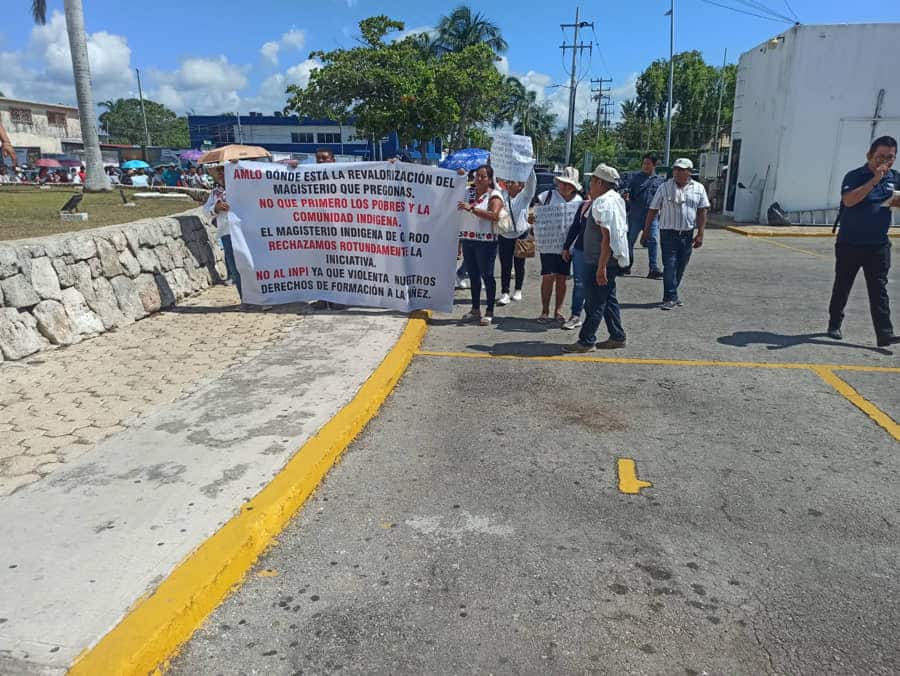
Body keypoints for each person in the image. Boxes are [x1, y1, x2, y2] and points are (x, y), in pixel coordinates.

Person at [827, 135, 900, 347]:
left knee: (879, 289)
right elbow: (849, 201)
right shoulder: (855, 176)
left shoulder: (895, 178)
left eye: (890, 157)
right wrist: (874, 180)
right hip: (850, 243)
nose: (884, 161)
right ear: (870, 155)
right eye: (880, 157)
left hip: (877, 244)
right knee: (843, 285)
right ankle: (834, 324)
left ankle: (884, 333)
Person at [563, 164, 630, 352]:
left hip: (601, 260)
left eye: (592, 181)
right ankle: (617, 335)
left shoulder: (602, 202)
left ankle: (586, 341)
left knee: (594, 303)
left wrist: (601, 267)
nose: (589, 184)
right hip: (608, 260)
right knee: (608, 299)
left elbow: (606, 237)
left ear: (600, 182)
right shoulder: (615, 199)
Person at [643, 157, 709, 310]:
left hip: (687, 234)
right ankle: (670, 296)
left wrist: (700, 233)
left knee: (681, 266)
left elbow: (702, 211)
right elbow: (653, 210)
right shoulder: (664, 188)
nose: (677, 172)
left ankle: (672, 294)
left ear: (689, 172)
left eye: (681, 170)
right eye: (676, 169)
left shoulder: (698, 188)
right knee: (670, 265)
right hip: (668, 233)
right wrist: (646, 232)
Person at [533, 167, 584, 322]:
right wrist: (532, 221)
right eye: (562, 183)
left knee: (562, 278)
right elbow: (535, 214)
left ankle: (558, 311)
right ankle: (545, 310)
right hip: (548, 244)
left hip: (567, 247)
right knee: (548, 276)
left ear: (574, 187)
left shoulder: (579, 202)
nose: (565, 186)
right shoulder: (546, 196)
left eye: (568, 184)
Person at [457, 164, 504, 326]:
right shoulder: (468, 192)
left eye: (483, 176)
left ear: (490, 179)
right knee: (474, 276)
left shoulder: (494, 195)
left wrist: (472, 209)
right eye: (477, 175)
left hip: (486, 243)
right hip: (468, 240)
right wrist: (458, 177)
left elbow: (494, 215)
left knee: (487, 276)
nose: (478, 179)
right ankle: (475, 309)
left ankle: (489, 311)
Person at [497, 171, 536, 305]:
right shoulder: (502, 195)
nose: (509, 184)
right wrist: (492, 164)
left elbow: (532, 183)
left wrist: (530, 167)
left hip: (521, 234)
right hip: (504, 235)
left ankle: (518, 289)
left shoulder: (525, 196)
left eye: (512, 182)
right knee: (505, 265)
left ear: (520, 186)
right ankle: (505, 292)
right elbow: (494, 184)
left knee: (520, 264)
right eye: (508, 182)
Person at [624, 154, 664, 278]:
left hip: (651, 217)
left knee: (653, 241)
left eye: (648, 163)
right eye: (644, 163)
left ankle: (653, 268)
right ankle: (626, 265)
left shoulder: (660, 181)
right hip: (635, 215)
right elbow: (626, 190)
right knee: (629, 240)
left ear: (654, 165)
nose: (645, 166)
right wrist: (625, 195)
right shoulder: (635, 178)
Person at [561, 196, 594, 330]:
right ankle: (575, 315)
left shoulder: (609, 205)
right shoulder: (584, 205)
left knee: (597, 285)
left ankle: (594, 317)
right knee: (579, 283)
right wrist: (566, 247)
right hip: (580, 250)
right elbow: (575, 227)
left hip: (598, 252)